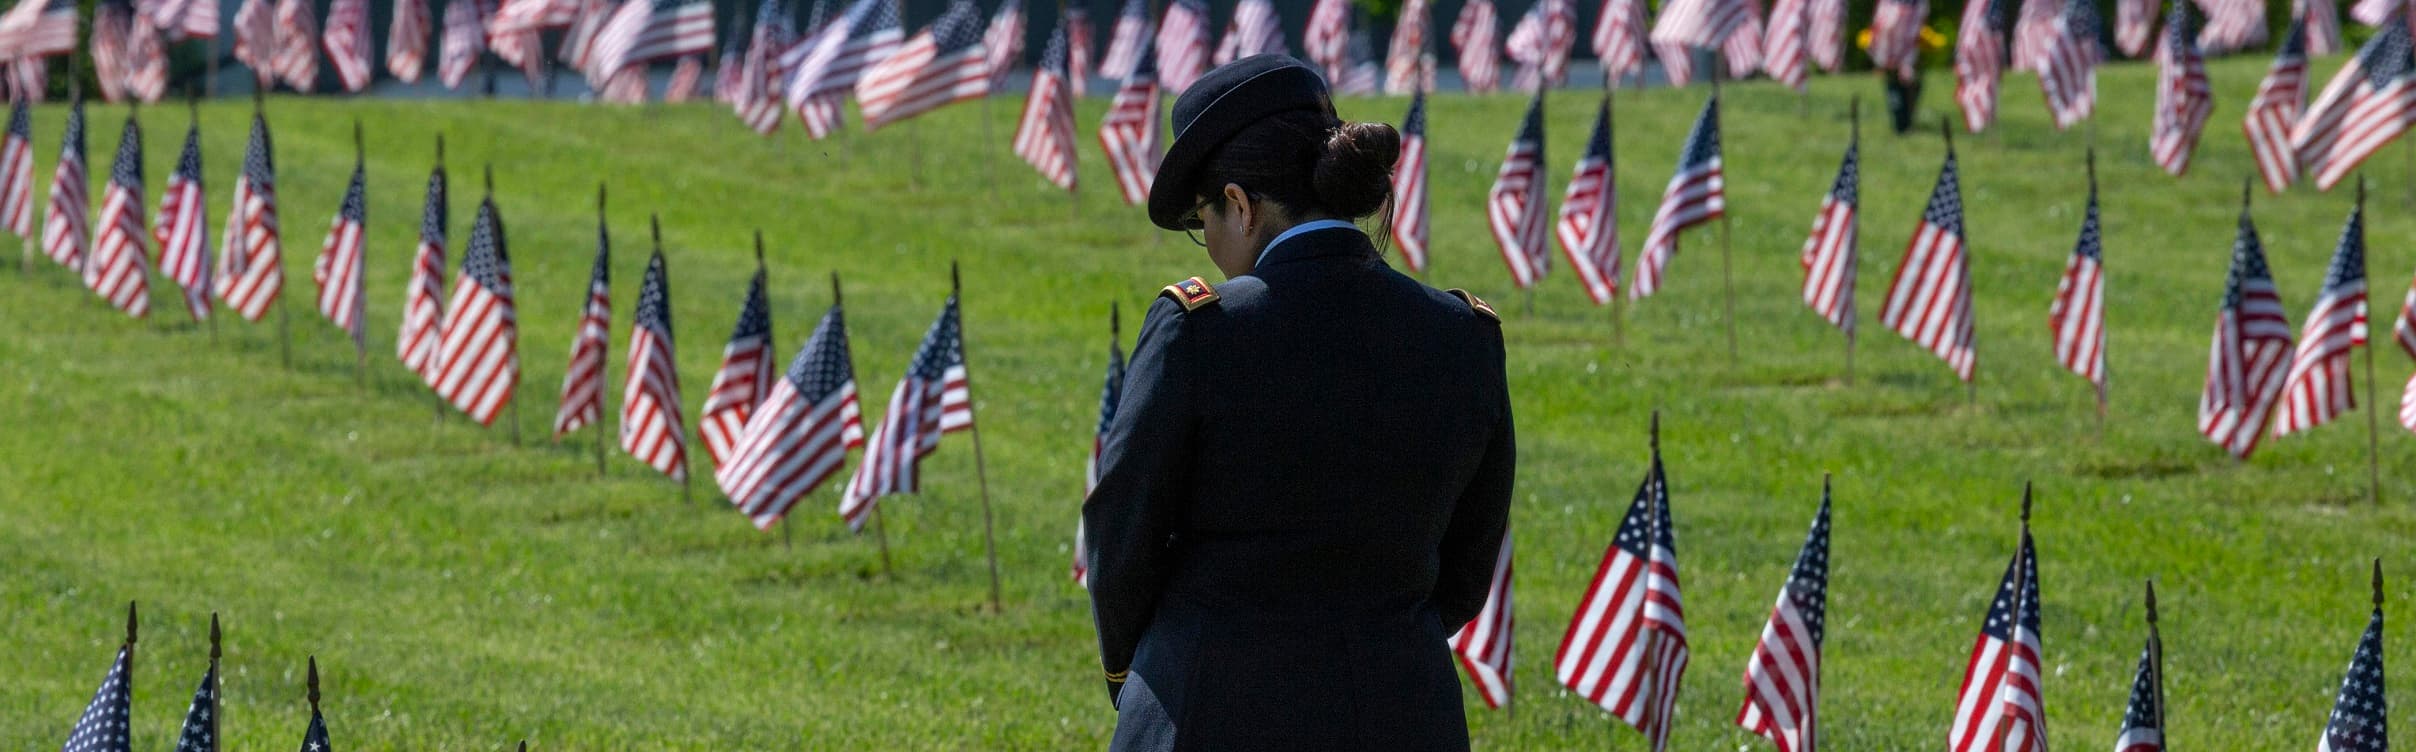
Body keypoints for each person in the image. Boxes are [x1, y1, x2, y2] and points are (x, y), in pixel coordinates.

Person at [1082, 54, 1516, 752]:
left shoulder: (1199, 329)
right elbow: (1469, 565)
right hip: (1402, 716)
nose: (1211, 244)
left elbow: (1122, 536)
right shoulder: (1463, 335)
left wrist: (1145, 672)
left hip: (1209, 713)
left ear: (1243, 205)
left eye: (1205, 220)